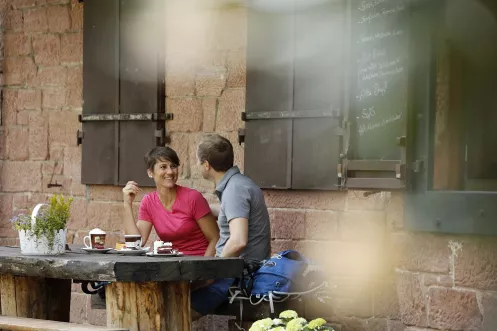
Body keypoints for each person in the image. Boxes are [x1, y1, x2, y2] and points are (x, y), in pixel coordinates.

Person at [191, 133, 271, 318]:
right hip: (236, 271)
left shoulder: (234, 190)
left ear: (206, 165)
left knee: (174, 310)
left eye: (197, 161)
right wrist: (196, 209)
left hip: (235, 277)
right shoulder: (240, 184)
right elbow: (232, 212)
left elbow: (238, 241)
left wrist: (213, 273)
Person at [122, 146, 219, 256]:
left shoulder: (193, 197)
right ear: (150, 173)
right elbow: (136, 243)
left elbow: (215, 239)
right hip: (172, 265)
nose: (170, 172)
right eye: (163, 167)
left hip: (198, 263)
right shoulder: (148, 202)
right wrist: (127, 204)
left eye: (173, 166)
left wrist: (204, 268)